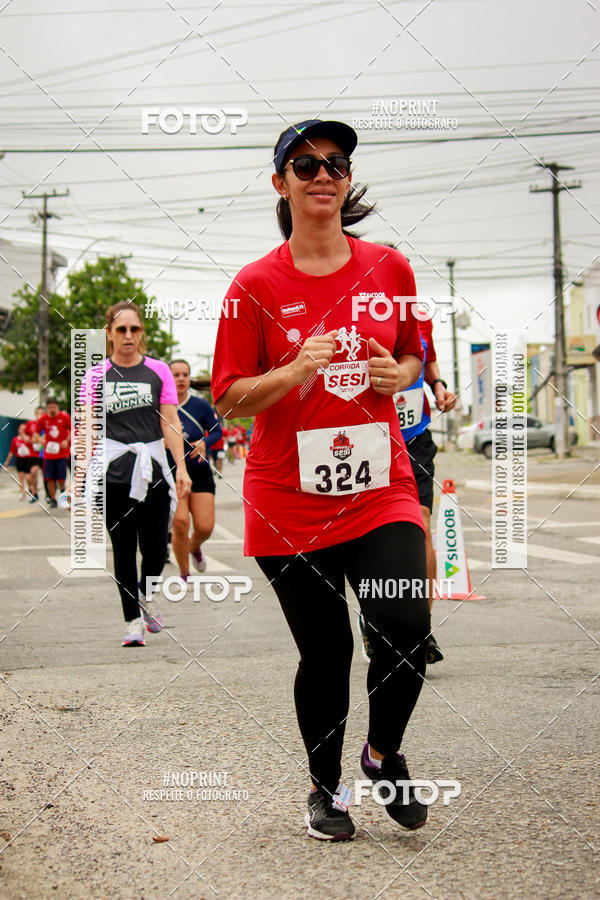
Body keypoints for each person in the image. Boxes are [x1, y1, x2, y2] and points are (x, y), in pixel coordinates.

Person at [212, 119, 431, 842]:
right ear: (281, 183)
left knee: (403, 628)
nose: (323, 175)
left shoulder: (390, 269)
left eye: (335, 163)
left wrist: (395, 373)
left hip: (380, 488)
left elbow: (414, 360)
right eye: (304, 165)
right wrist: (296, 371)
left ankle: (382, 753)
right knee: (329, 652)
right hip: (288, 503)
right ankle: (325, 789)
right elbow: (228, 396)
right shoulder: (254, 286)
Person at [80, 301, 191, 647]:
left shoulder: (158, 371)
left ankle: (148, 594)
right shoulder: (95, 376)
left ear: (141, 332)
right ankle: (132, 622)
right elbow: (87, 428)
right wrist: (79, 475)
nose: (128, 336)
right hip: (113, 474)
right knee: (124, 549)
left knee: (156, 548)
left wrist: (181, 469)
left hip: (153, 469)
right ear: (109, 334)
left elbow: (170, 421)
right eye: (121, 329)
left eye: (134, 329)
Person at [359, 294, 457, 665]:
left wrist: (439, 387)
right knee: (369, 538)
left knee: (422, 529)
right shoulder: (356, 314)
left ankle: (421, 630)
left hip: (414, 437)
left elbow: (427, 361)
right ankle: (374, 620)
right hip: (368, 438)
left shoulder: (419, 316)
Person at [168, 360, 222, 584]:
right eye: (176, 375)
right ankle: (184, 574)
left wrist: (205, 442)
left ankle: (194, 546)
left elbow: (218, 431)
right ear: (167, 378)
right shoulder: (160, 405)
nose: (181, 379)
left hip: (199, 470)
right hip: (173, 471)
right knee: (180, 522)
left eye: (185, 375)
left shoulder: (200, 405)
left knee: (204, 527)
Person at [34, 398, 71, 509]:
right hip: (48, 453)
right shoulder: (43, 419)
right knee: (49, 478)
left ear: (57, 407)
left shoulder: (64, 417)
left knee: (60, 478)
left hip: (61, 453)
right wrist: (40, 439)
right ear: (47, 408)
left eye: (54, 407)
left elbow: (72, 430)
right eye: (50, 408)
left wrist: (66, 440)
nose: (52, 410)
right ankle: (53, 498)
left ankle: (62, 490)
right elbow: (35, 433)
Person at [3, 423, 35, 500]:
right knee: (20, 477)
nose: (22, 430)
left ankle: (30, 489)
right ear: (18, 430)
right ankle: (22, 492)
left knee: (28, 477)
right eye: (21, 428)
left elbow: (30, 445)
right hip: (19, 460)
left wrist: (25, 436)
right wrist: (7, 462)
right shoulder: (15, 440)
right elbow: (11, 451)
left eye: (24, 429)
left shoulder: (28, 438)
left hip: (27, 459)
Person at [24, 406, 44, 503]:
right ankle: (35, 493)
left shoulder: (46, 424)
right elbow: (25, 433)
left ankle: (49, 495)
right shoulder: (30, 423)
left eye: (41, 413)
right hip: (33, 453)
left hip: (44, 453)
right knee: (33, 472)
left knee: (46, 475)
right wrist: (26, 437)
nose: (39, 415)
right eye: (37, 413)